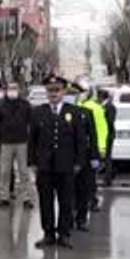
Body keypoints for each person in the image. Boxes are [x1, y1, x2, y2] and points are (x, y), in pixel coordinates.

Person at [29, 75, 87, 249]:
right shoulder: (38, 112)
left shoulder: (74, 112)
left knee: (66, 201)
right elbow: (32, 139)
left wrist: (79, 162)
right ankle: (48, 234)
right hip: (44, 166)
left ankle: (64, 234)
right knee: (45, 201)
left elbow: (80, 141)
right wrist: (32, 162)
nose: (53, 93)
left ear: (63, 91)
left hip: (66, 165)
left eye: (57, 90)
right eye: (50, 90)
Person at [71, 82, 106, 231]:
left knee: (84, 189)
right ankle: (69, 218)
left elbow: (94, 135)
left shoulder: (88, 112)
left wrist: (96, 155)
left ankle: (81, 219)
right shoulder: (62, 112)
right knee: (68, 190)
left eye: (76, 94)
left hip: (85, 157)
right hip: (68, 157)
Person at [0, 81, 34, 209]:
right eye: (10, 88)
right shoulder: (1, 105)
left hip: (22, 142)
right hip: (6, 142)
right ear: (6, 90)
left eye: (15, 88)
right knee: (4, 171)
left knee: (24, 172)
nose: (12, 90)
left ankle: (27, 198)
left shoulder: (25, 105)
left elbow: (31, 123)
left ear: (19, 90)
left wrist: (31, 141)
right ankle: (4, 197)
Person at [100, 89, 118, 186]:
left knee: (107, 157)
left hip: (107, 135)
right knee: (105, 157)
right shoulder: (104, 106)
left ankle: (108, 179)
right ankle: (111, 173)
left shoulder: (109, 107)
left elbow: (110, 121)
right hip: (105, 134)